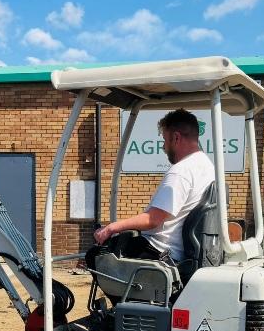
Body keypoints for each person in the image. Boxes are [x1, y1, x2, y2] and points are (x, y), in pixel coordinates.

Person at [92, 109, 215, 263]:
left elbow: (153, 219)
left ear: (176, 138)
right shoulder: (207, 166)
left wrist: (111, 228)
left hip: (161, 251)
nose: (163, 147)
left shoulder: (181, 171)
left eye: (165, 140)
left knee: (95, 255)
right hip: (182, 250)